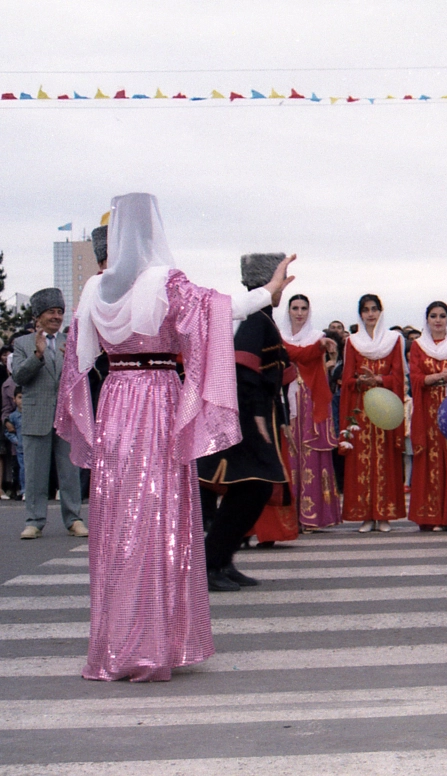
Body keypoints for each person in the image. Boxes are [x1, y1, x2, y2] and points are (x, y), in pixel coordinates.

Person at [56, 192, 241, 680]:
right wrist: (268, 292)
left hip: (115, 401)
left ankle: (117, 642)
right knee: (159, 517)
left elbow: (78, 364)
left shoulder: (94, 290)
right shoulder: (168, 282)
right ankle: (156, 641)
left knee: (120, 520)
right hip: (158, 399)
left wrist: (91, 423)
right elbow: (218, 314)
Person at [198, 253, 295, 591]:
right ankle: (211, 561)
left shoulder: (261, 317)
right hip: (245, 417)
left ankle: (222, 560)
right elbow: (244, 371)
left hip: (250, 413)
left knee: (252, 488)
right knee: (255, 487)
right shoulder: (256, 318)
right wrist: (258, 419)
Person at [13, 287, 87, 540]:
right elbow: (19, 376)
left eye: (60, 312)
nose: (56, 317)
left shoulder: (71, 342)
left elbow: (86, 378)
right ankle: (34, 520)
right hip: (36, 416)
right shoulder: (22, 343)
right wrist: (38, 354)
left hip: (66, 416)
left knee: (69, 472)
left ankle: (74, 519)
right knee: (35, 473)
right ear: (38, 316)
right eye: (51, 312)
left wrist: (75, 362)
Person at [340, 294, 408, 532]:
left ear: (381, 312)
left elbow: (399, 377)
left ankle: (385, 515)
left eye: (374, 309)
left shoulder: (394, 340)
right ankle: (366, 516)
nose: (370, 314)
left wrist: (379, 378)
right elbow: (346, 377)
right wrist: (360, 380)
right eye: (366, 310)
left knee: (386, 458)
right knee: (361, 460)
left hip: (385, 408)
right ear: (360, 314)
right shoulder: (353, 342)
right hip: (361, 409)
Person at [408, 301, 447, 530]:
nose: (438, 320)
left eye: (442, 316)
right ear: (427, 319)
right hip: (428, 411)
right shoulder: (418, 346)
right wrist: (437, 377)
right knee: (431, 459)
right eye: (433, 316)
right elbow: (415, 377)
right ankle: (433, 516)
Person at [279, 294, 341, 532]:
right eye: (295, 308)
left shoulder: (317, 338)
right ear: (289, 310)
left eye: (304, 308)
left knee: (311, 456)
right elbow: (293, 355)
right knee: (290, 455)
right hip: (287, 399)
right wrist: (318, 348)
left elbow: (305, 358)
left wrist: (321, 347)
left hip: (310, 401)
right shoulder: (280, 337)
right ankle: (290, 517)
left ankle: (312, 516)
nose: (299, 312)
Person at [4, 387, 24, 499]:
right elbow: (8, 432)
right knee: (22, 469)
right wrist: (16, 441)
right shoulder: (13, 416)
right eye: (20, 397)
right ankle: (23, 489)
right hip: (20, 448)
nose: (22, 401)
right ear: (14, 399)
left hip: (31, 447)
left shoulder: (31, 415)